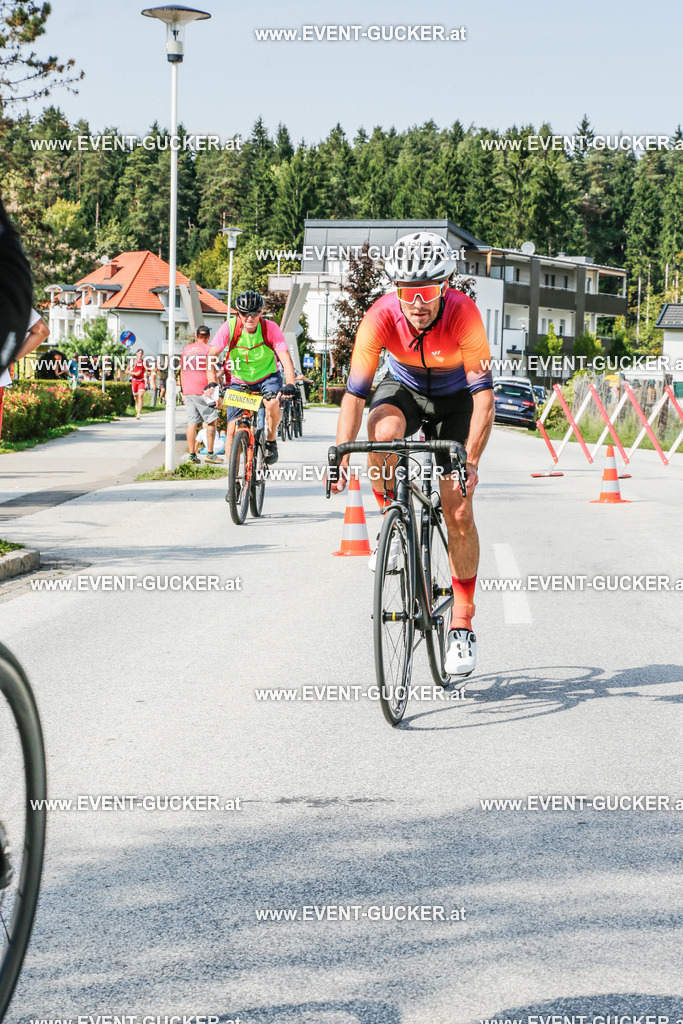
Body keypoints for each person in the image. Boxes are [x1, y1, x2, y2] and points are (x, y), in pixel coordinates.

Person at [329, 231, 494, 678]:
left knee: (457, 510)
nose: (417, 303)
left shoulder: (465, 315)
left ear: (445, 286)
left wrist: (471, 462)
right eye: (407, 292)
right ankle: (390, 517)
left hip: (456, 400)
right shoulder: (380, 317)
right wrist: (342, 452)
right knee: (382, 432)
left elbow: (484, 400)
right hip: (403, 389)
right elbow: (355, 394)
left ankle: (461, 621)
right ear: (394, 290)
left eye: (427, 292)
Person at [207, 290, 298, 466]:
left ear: (261, 312)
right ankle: (233, 481)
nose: (250, 318)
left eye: (255, 313)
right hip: (240, 381)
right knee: (232, 429)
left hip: (267, 377)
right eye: (244, 314)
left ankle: (270, 440)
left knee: (271, 403)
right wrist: (212, 381)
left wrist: (290, 383)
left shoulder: (270, 328)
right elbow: (211, 356)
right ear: (238, 313)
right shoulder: (230, 327)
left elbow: (285, 359)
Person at [180, 326, 222, 464]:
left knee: (192, 422)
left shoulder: (186, 350)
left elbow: (181, 371)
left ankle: (192, 455)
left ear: (196, 336)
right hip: (205, 390)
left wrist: (183, 391)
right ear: (208, 336)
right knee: (211, 421)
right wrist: (216, 394)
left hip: (188, 390)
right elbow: (213, 373)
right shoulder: (209, 350)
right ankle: (210, 454)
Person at [125, 348, 146, 419]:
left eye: (141, 353)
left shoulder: (144, 362)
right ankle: (137, 405)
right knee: (136, 397)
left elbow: (148, 370)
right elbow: (126, 371)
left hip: (141, 380)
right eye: (139, 353)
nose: (140, 354)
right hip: (134, 380)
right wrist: (135, 373)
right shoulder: (133, 361)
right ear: (136, 353)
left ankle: (139, 413)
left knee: (141, 395)